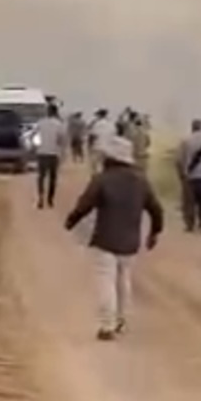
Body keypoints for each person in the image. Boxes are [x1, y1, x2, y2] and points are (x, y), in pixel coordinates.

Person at [65, 135, 164, 340]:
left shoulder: (102, 179)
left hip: (105, 239)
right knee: (123, 281)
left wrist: (71, 221)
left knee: (106, 282)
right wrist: (155, 232)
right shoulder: (140, 181)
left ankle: (107, 325)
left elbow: (85, 204)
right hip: (130, 241)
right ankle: (121, 320)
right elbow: (156, 209)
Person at [175, 119, 201, 232]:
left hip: (189, 176)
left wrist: (181, 173)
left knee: (189, 202)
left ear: (192, 127)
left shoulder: (185, 140)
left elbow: (179, 159)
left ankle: (189, 224)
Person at [34, 102, 67, 209]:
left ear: (47, 111)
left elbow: (35, 136)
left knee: (41, 177)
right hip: (53, 154)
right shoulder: (59, 124)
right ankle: (50, 199)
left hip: (42, 152)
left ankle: (40, 197)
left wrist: (38, 146)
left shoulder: (40, 122)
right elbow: (62, 140)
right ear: (56, 112)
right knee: (53, 178)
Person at [88, 108, 116, 175]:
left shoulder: (96, 124)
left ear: (99, 115)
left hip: (97, 147)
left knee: (96, 168)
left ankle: (98, 181)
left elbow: (92, 136)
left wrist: (89, 147)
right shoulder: (111, 124)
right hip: (109, 149)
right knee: (105, 167)